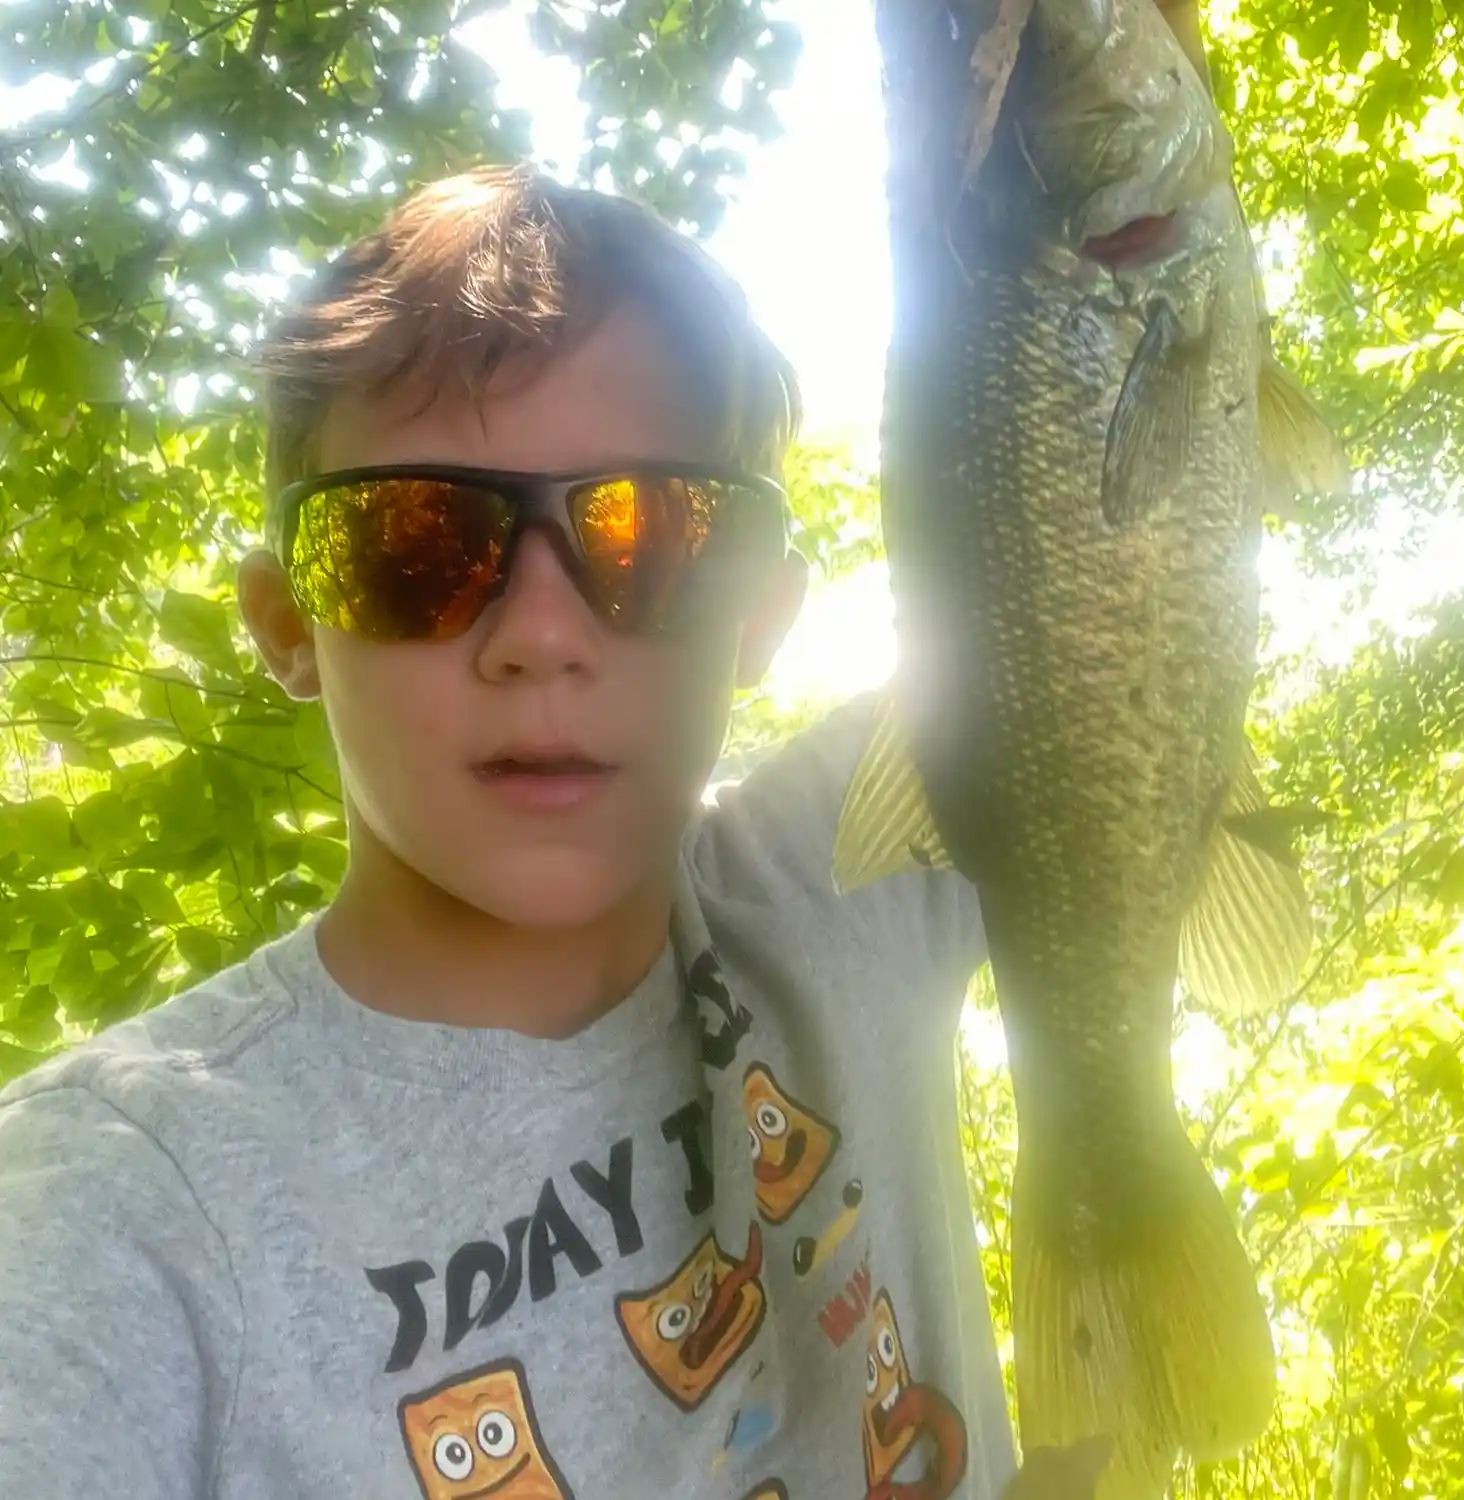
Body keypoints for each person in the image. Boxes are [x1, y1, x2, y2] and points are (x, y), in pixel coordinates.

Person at [0, 167, 1108, 1500]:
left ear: (759, 615)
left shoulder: (841, 876)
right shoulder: (116, 1218)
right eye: (414, 543)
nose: (538, 637)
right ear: (289, 622)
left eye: (653, 538)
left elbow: (1117, 440)